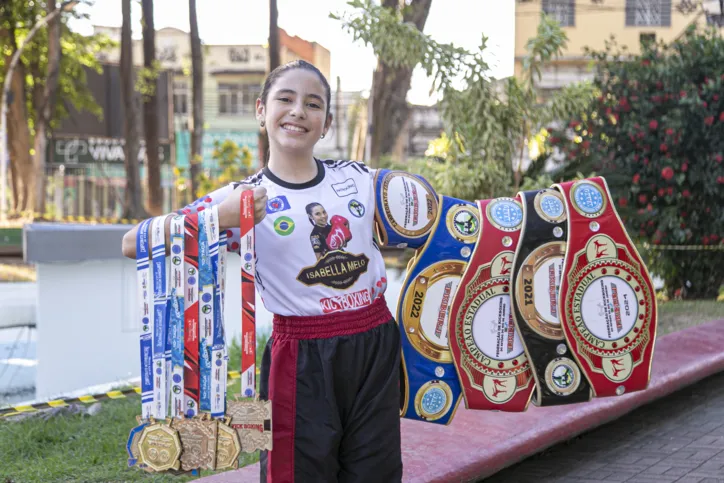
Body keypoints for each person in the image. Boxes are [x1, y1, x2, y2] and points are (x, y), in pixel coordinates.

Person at [122, 60, 402, 483]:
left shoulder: (359, 179)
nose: (298, 111)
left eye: (313, 104)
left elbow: (434, 214)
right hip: (302, 356)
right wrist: (220, 216)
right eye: (285, 99)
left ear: (326, 123)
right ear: (260, 110)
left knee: (376, 472)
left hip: (375, 340)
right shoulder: (243, 198)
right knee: (298, 473)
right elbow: (132, 243)